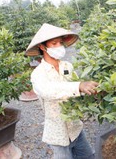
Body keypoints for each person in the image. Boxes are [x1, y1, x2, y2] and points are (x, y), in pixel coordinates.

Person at [25, 23, 98, 159]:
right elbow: (48, 90)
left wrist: (90, 92)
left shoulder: (67, 66)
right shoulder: (38, 74)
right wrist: (78, 86)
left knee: (88, 156)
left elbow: (76, 90)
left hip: (75, 126)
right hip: (57, 132)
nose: (59, 46)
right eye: (54, 43)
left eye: (60, 42)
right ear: (42, 47)